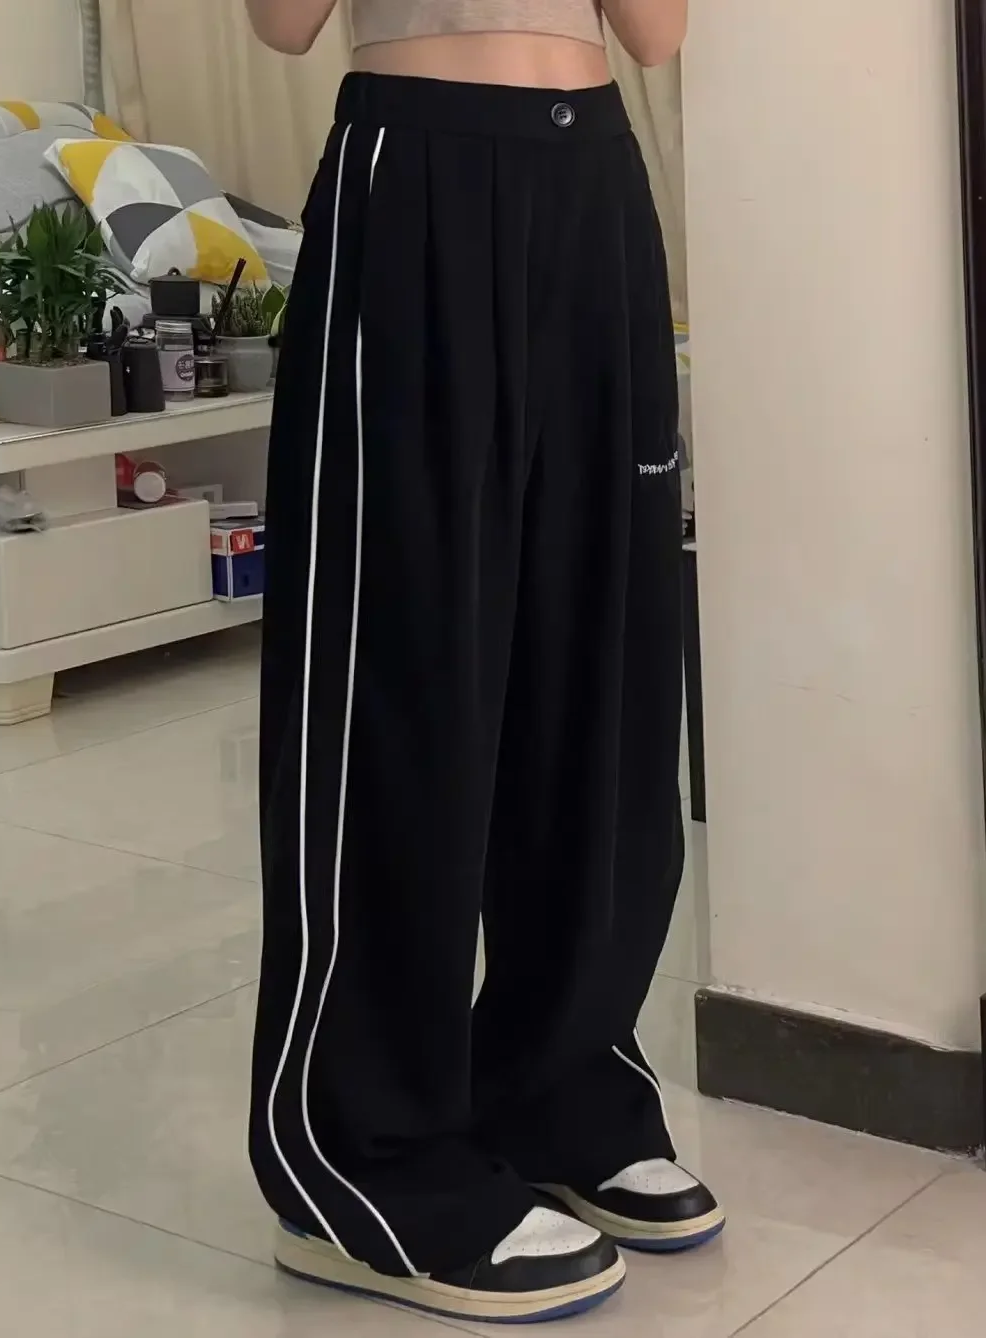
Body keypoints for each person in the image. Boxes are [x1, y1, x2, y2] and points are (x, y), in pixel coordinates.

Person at [246, 0, 721, 1323]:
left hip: (592, 181)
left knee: (595, 663)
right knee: (397, 679)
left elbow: (657, 31)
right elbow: (282, 25)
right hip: (413, 172)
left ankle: (560, 1087)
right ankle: (359, 1153)